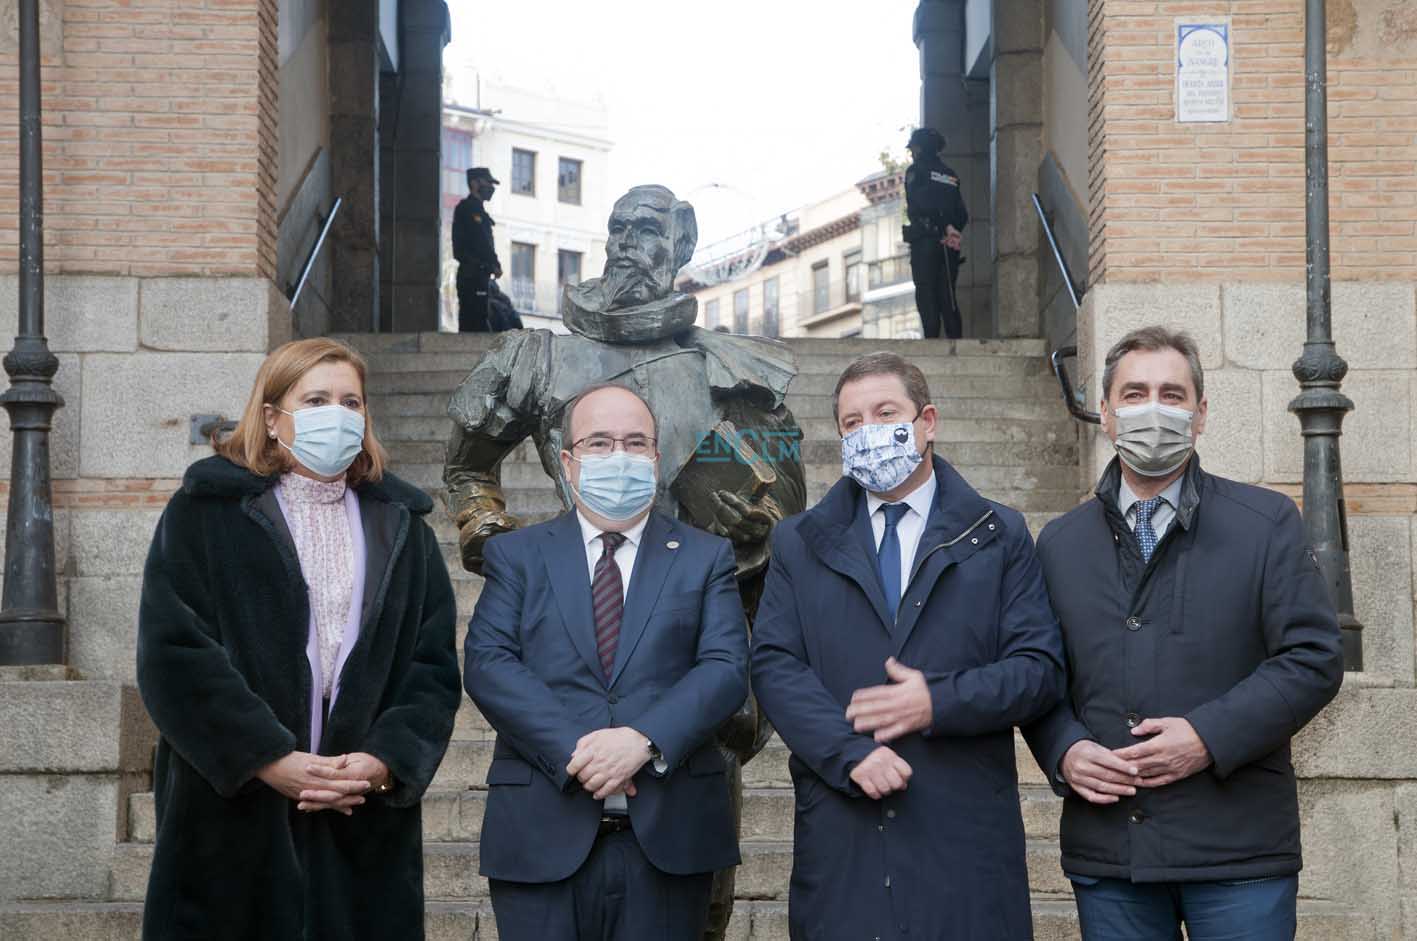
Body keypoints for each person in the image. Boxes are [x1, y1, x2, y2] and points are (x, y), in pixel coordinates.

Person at [444, 183, 805, 940]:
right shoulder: (536, 359)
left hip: (694, 653)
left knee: (700, 901)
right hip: (567, 648)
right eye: (618, 227)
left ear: (683, 243)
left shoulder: (735, 373)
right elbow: (468, 467)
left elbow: (786, 504)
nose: (628, 243)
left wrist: (754, 524)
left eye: (648, 230)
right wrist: (495, 535)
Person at [1023, 327, 1344, 940]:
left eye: (1172, 395)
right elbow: (1038, 673)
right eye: (1135, 393)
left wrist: (1206, 736)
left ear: (1200, 416)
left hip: (1239, 851)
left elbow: (1313, 657)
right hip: (1111, 853)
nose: (1153, 409)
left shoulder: (1265, 522)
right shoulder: (1060, 543)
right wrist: (1063, 749)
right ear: (1108, 414)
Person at [135, 337, 462, 941]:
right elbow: (174, 654)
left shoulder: (402, 527)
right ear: (271, 416)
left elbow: (432, 666)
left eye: (351, 402)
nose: (338, 414)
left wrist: (383, 763)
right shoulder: (207, 513)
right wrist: (267, 758)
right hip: (231, 821)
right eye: (315, 399)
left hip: (360, 820)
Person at [750, 351, 1067, 939]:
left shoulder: (999, 534)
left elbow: (1038, 669)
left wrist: (938, 702)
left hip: (962, 834)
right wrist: (849, 753)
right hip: (844, 830)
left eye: (885, 412)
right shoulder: (800, 541)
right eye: (852, 422)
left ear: (927, 422)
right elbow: (774, 664)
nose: (868, 431)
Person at [464, 382, 749, 939]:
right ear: (568, 463)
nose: (619, 456)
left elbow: (724, 668)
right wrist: (579, 751)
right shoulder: (517, 554)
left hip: (670, 841)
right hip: (540, 836)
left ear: (656, 459)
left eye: (635, 442)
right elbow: (488, 663)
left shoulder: (705, 555)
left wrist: (642, 740)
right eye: (599, 443)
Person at [903, 127, 968, 339]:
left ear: (920, 148)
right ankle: (955, 340)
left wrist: (941, 226)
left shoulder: (916, 171)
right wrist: (951, 229)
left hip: (926, 240)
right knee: (947, 294)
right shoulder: (950, 175)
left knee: (927, 292)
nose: (912, 152)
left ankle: (932, 341)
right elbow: (962, 213)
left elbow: (919, 204)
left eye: (913, 148)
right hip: (950, 244)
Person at [452, 166, 503, 333]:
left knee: (480, 319)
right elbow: (477, 244)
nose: (491, 187)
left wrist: (493, 264)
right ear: (474, 183)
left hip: (480, 276)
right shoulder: (467, 209)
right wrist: (489, 263)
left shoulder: (479, 211)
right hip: (471, 275)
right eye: (487, 182)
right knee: (472, 323)